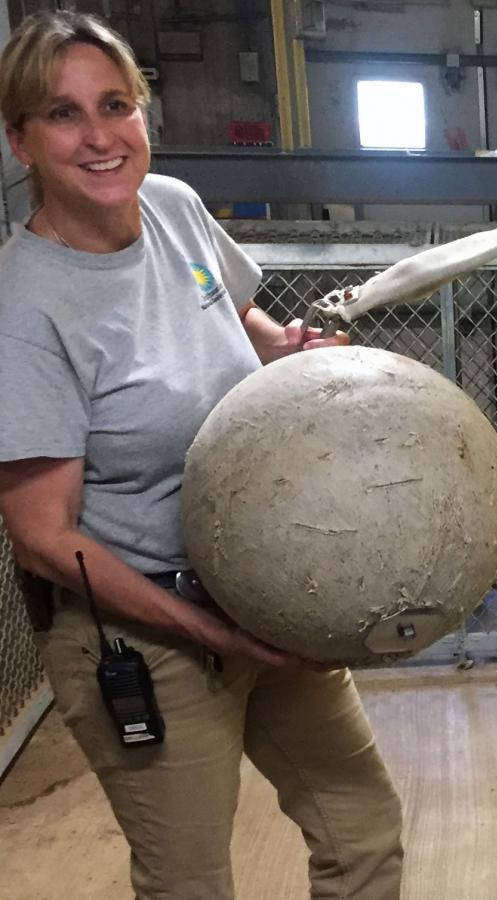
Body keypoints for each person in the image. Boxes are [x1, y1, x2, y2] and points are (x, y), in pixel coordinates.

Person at [0, 12, 404, 899]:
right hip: (149, 633)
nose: (101, 137)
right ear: (18, 138)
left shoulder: (175, 210)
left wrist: (293, 350)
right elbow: (43, 537)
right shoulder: (26, 307)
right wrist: (211, 634)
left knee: (362, 828)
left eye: (116, 104)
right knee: (191, 884)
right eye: (63, 114)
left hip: (261, 592)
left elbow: (238, 329)